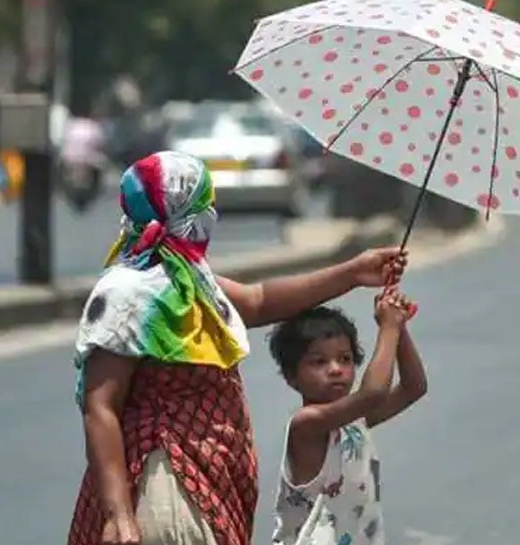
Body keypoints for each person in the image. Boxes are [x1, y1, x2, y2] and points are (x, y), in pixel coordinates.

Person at [67, 150, 408, 545]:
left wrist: (353, 273)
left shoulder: (190, 277)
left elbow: (259, 301)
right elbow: (101, 406)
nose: (211, 213)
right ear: (180, 207)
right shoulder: (128, 291)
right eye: (204, 203)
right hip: (164, 485)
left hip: (208, 483)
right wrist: (119, 515)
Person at [268, 290, 427, 545]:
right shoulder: (306, 424)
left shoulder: (354, 420)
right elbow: (373, 393)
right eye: (319, 362)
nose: (335, 369)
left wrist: (399, 326)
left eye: (345, 359)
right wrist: (389, 327)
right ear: (291, 377)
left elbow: (414, 386)